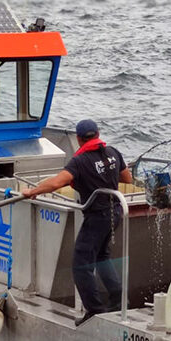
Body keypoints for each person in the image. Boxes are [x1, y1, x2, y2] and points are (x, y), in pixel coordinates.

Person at [22, 119, 133, 326]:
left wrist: (32, 191)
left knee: (81, 265)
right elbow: (127, 178)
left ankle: (95, 310)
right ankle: (118, 300)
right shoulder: (113, 153)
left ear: (79, 139)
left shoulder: (80, 161)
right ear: (98, 134)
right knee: (101, 256)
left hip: (97, 216)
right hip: (116, 212)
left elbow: (57, 182)